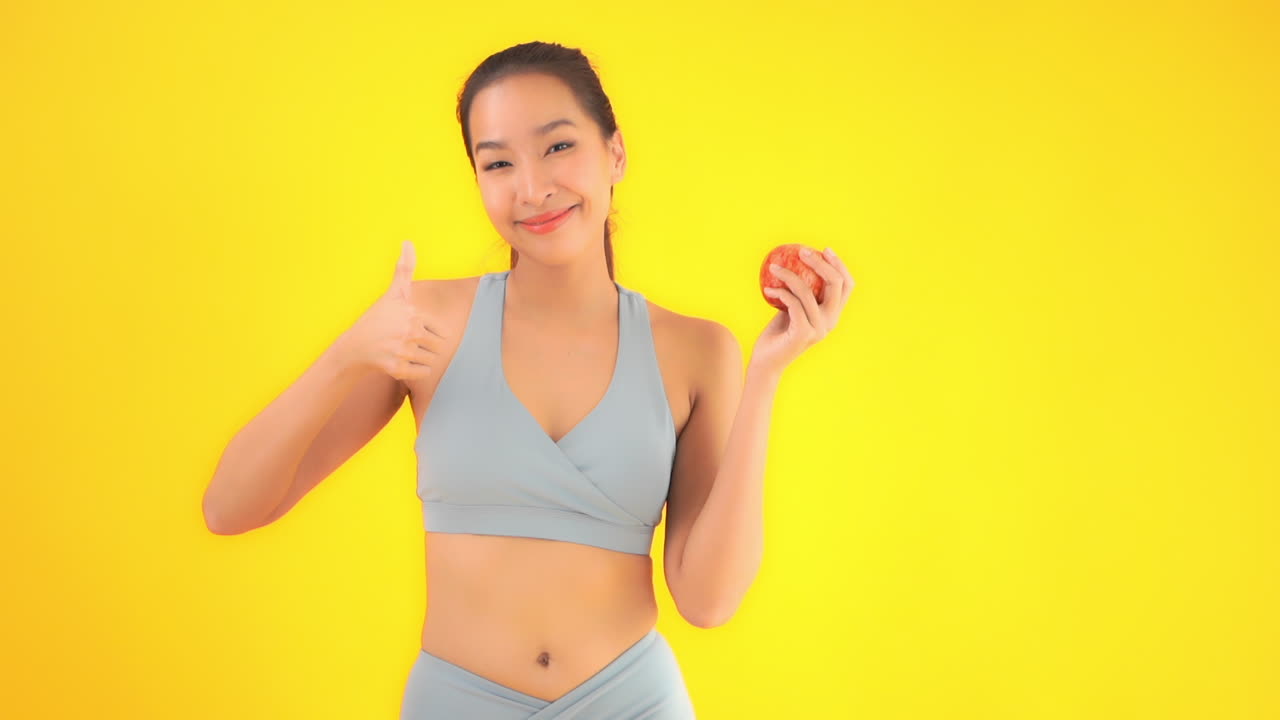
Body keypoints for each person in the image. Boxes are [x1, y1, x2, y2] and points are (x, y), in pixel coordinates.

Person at [202, 40, 854, 719]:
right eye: (498, 163)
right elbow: (229, 507)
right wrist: (347, 355)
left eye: (559, 148)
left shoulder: (695, 351)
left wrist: (767, 376)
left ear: (616, 154)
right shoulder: (427, 324)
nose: (532, 187)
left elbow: (708, 600)